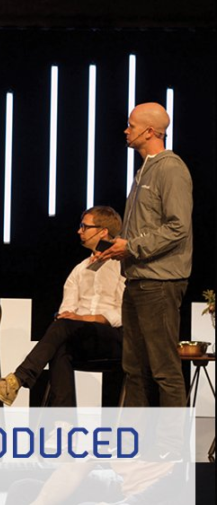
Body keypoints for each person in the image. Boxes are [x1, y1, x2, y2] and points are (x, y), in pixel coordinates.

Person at [98, 102, 192, 407]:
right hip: (137, 279)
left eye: (132, 126)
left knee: (164, 369)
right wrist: (118, 246)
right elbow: (145, 228)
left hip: (160, 283)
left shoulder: (170, 168)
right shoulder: (144, 170)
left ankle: (172, 438)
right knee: (134, 369)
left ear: (150, 131)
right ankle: (137, 435)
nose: (126, 131)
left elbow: (178, 227)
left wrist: (132, 247)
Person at [0, 206, 125, 407]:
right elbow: (67, 310)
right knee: (60, 346)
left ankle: (16, 380)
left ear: (103, 232)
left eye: (85, 226)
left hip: (114, 338)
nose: (79, 231)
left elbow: (123, 313)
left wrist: (85, 319)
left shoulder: (122, 266)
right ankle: (63, 421)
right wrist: (73, 318)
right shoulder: (79, 270)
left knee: (64, 329)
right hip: (81, 336)